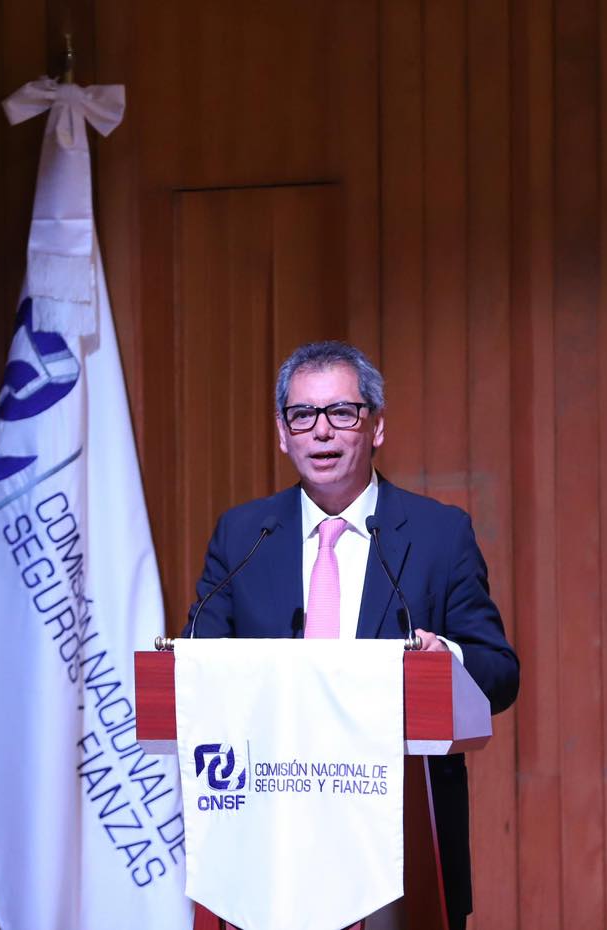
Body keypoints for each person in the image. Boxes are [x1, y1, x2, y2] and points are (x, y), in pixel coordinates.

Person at [184, 340, 519, 928]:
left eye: (341, 412)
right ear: (282, 434)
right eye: (302, 415)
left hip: (399, 856)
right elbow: (195, 668)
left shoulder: (440, 535)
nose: (321, 431)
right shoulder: (242, 537)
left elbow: (499, 673)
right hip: (267, 844)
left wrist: (445, 659)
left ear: (376, 426)